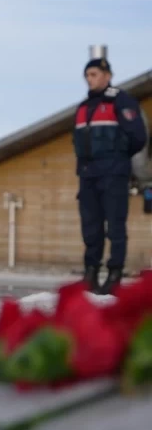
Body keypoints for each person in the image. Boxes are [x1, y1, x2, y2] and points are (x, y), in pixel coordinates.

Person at [74, 55, 148, 294]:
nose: (90, 80)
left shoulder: (121, 101)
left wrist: (118, 158)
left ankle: (114, 274)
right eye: (87, 76)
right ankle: (91, 273)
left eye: (94, 75)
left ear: (107, 76)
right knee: (91, 228)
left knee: (115, 226)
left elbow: (138, 137)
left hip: (113, 174)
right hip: (88, 176)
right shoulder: (83, 108)